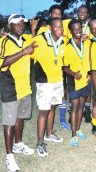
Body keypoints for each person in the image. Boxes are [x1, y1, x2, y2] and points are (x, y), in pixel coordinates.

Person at [0, 14, 36, 171]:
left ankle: (18, 144)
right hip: (10, 86)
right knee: (9, 121)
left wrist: (32, 29)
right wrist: (25, 51)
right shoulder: (2, 42)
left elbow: (37, 43)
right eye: (16, 24)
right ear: (9, 26)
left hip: (25, 87)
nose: (20, 26)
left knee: (20, 117)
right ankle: (9, 156)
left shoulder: (25, 39)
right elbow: (3, 63)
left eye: (22, 24)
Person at [32, 4, 71, 130]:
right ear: (50, 15)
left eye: (59, 14)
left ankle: (61, 120)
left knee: (60, 96)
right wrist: (33, 29)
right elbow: (33, 45)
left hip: (58, 70)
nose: (57, 16)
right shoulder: (43, 30)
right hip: (44, 72)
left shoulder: (63, 30)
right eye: (55, 14)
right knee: (46, 106)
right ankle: (43, 137)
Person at [31, 18, 66, 157]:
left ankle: (49, 133)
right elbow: (29, 51)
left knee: (53, 107)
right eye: (56, 26)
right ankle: (40, 142)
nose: (59, 28)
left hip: (58, 80)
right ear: (49, 28)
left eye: (61, 26)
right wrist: (33, 30)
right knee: (43, 111)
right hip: (44, 81)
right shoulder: (40, 39)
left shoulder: (63, 41)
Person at [63, 19, 91, 146]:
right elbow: (64, 67)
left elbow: (91, 61)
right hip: (74, 81)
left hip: (86, 80)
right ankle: (73, 135)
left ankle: (78, 129)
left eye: (79, 28)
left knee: (81, 106)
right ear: (70, 31)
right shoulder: (68, 47)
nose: (78, 31)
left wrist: (90, 74)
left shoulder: (87, 43)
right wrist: (74, 73)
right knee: (74, 107)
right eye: (75, 29)